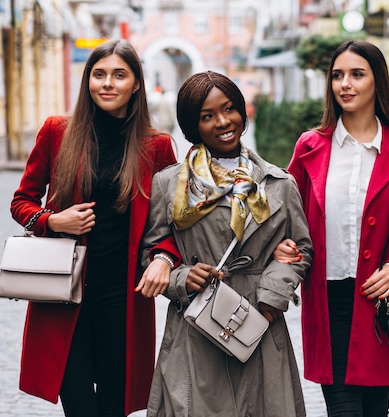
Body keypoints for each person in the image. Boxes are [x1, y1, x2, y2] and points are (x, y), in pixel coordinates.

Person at [10, 39, 181, 417]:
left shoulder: (157, 147)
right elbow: (22, 202)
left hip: (124, 297)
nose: (107, 83)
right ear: (87, 80)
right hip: (64, 293)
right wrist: (53, 220)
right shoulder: (58, 132)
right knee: (79, 404)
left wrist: (165, 258)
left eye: (119, 75)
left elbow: (173, 223)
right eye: (98, 74)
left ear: (136, 84)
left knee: (114, 405)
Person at [140, 70, 313, 417]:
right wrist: (180, 278)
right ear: (193, 125)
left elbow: (301, 249)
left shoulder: (278, 183)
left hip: (259, 326)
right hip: (196, 326)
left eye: (230, 109)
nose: (223, 122)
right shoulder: (169, 185)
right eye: (207, 116)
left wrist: (272, 296)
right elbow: (151, 253)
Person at [279, 40, 389, 416]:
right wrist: (283, 245)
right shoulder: (310, 147)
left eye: (356, 75)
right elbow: (286, 215)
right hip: (327, 300)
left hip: (380, 303)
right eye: (337, 76)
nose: (344, 84)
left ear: (376, 81)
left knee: (376, 411)